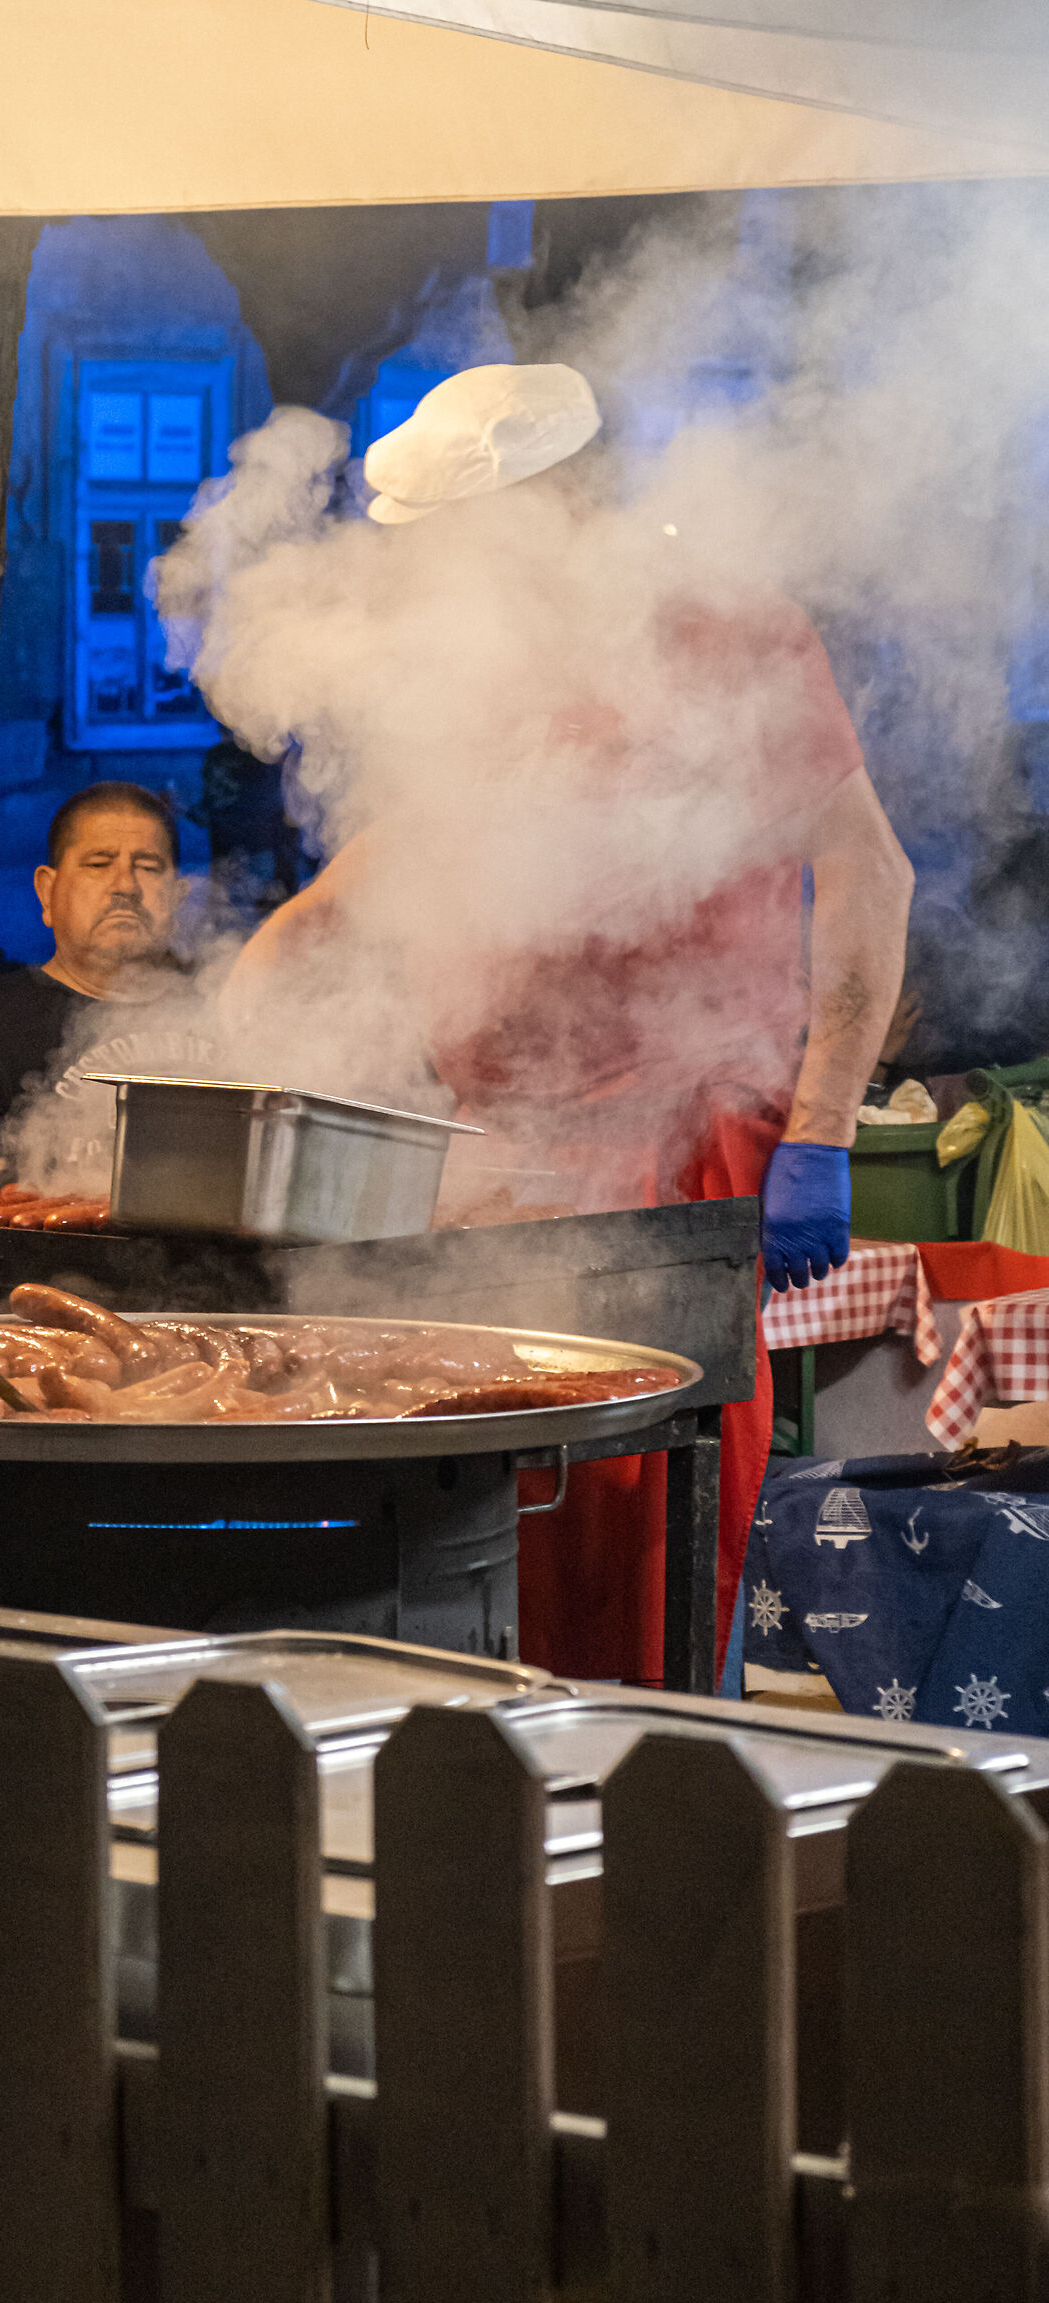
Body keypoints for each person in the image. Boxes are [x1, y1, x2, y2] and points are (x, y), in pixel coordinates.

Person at [222, 364, 914, 1684]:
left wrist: (818, 1133)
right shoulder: (483, 674)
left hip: (678, 1143)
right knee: (486, 1536)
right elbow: (343, 906)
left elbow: (871, 875)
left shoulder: (730, 637)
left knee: (644, 1540)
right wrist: (223, 1058)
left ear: (553, 507)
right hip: (488, 1161)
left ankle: (650, 1818)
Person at [0, 780, 187, 1172]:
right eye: (98, 864)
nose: (125, 886)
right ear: (47, 893)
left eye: (147, 866)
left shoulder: (227, 1012)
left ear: (176, 898)